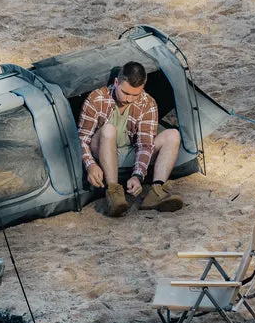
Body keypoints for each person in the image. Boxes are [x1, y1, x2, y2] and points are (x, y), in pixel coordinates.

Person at [78, 61, 184, 217]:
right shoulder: (96, 99)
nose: (129, 99)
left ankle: (156, 191)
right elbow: (82, 139)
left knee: (173, 135)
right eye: (125, 93)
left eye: (135, 95)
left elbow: (145, 145)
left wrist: (138, 175)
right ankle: (114, 193)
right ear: (116, 83)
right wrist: (90, 165)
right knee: (108, 129)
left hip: (129, 152)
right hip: (101, 151)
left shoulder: (148, 103)